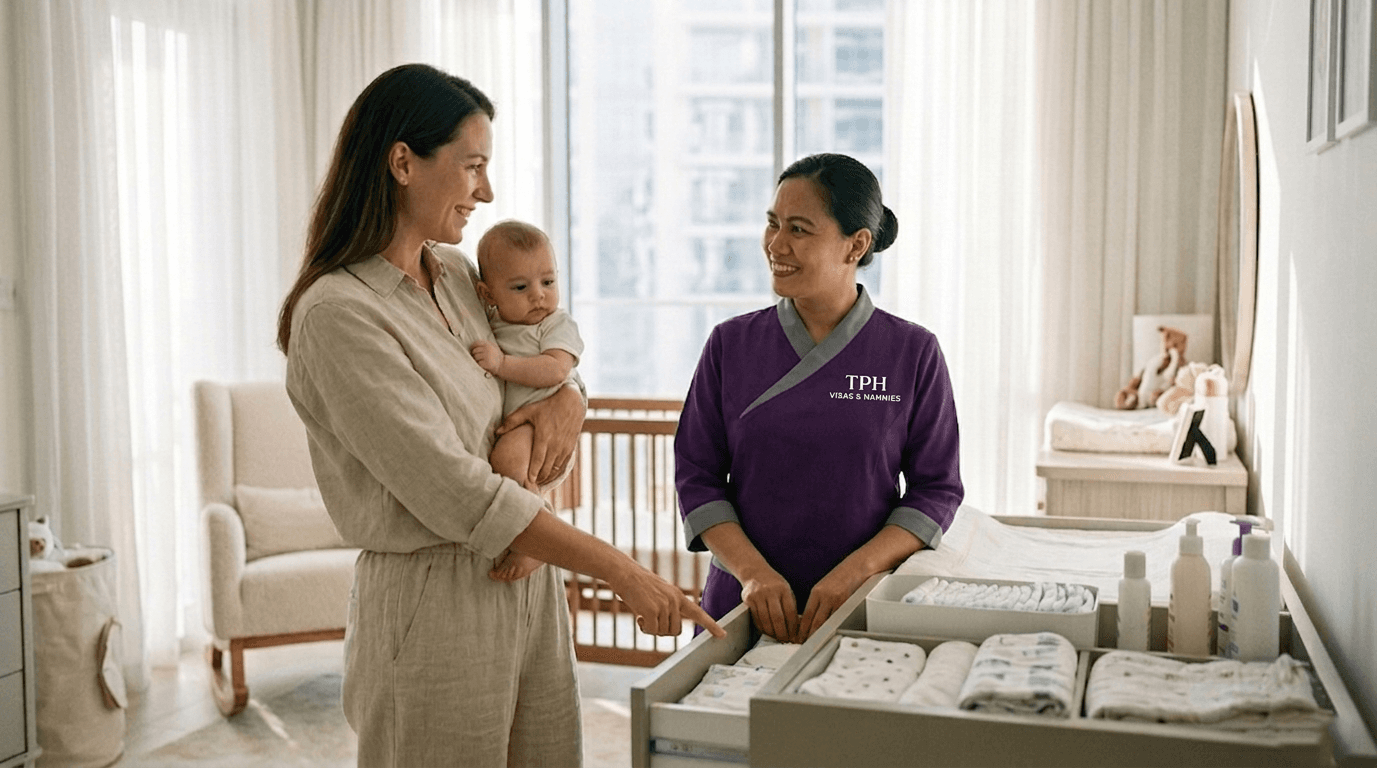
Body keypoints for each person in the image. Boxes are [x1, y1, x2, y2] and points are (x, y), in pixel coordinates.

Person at [277, 63, 722, 768]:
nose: (486, 192)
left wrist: (571, 396)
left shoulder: (459, 276)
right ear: (402, 163)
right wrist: (623, 572)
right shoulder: (338, 315)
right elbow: (453, 488)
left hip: (530, 577)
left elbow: (538, 359)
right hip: (432, 604)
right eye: (473, 167)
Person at [674, 152, 964, 645]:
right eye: (773, 223)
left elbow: (936, 489)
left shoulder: (912, 352)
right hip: (742, 603)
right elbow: (696, 477)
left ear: (857, 244)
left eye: (799, 229)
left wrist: (857, 571)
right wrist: (753, 574)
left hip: (860, 604)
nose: (776, 244)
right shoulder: (730, 344)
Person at [471, 219, 583, 582]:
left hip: (541, 421)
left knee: (506, 461)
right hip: (520, 420)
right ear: (488, 295)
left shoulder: (555, 324)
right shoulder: (493, 322)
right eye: (521, 287)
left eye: (548, 282)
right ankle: (538, 525)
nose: (539, 296)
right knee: (504, 467)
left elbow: (555, 369)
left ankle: (538, 536)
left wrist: (502, 364)